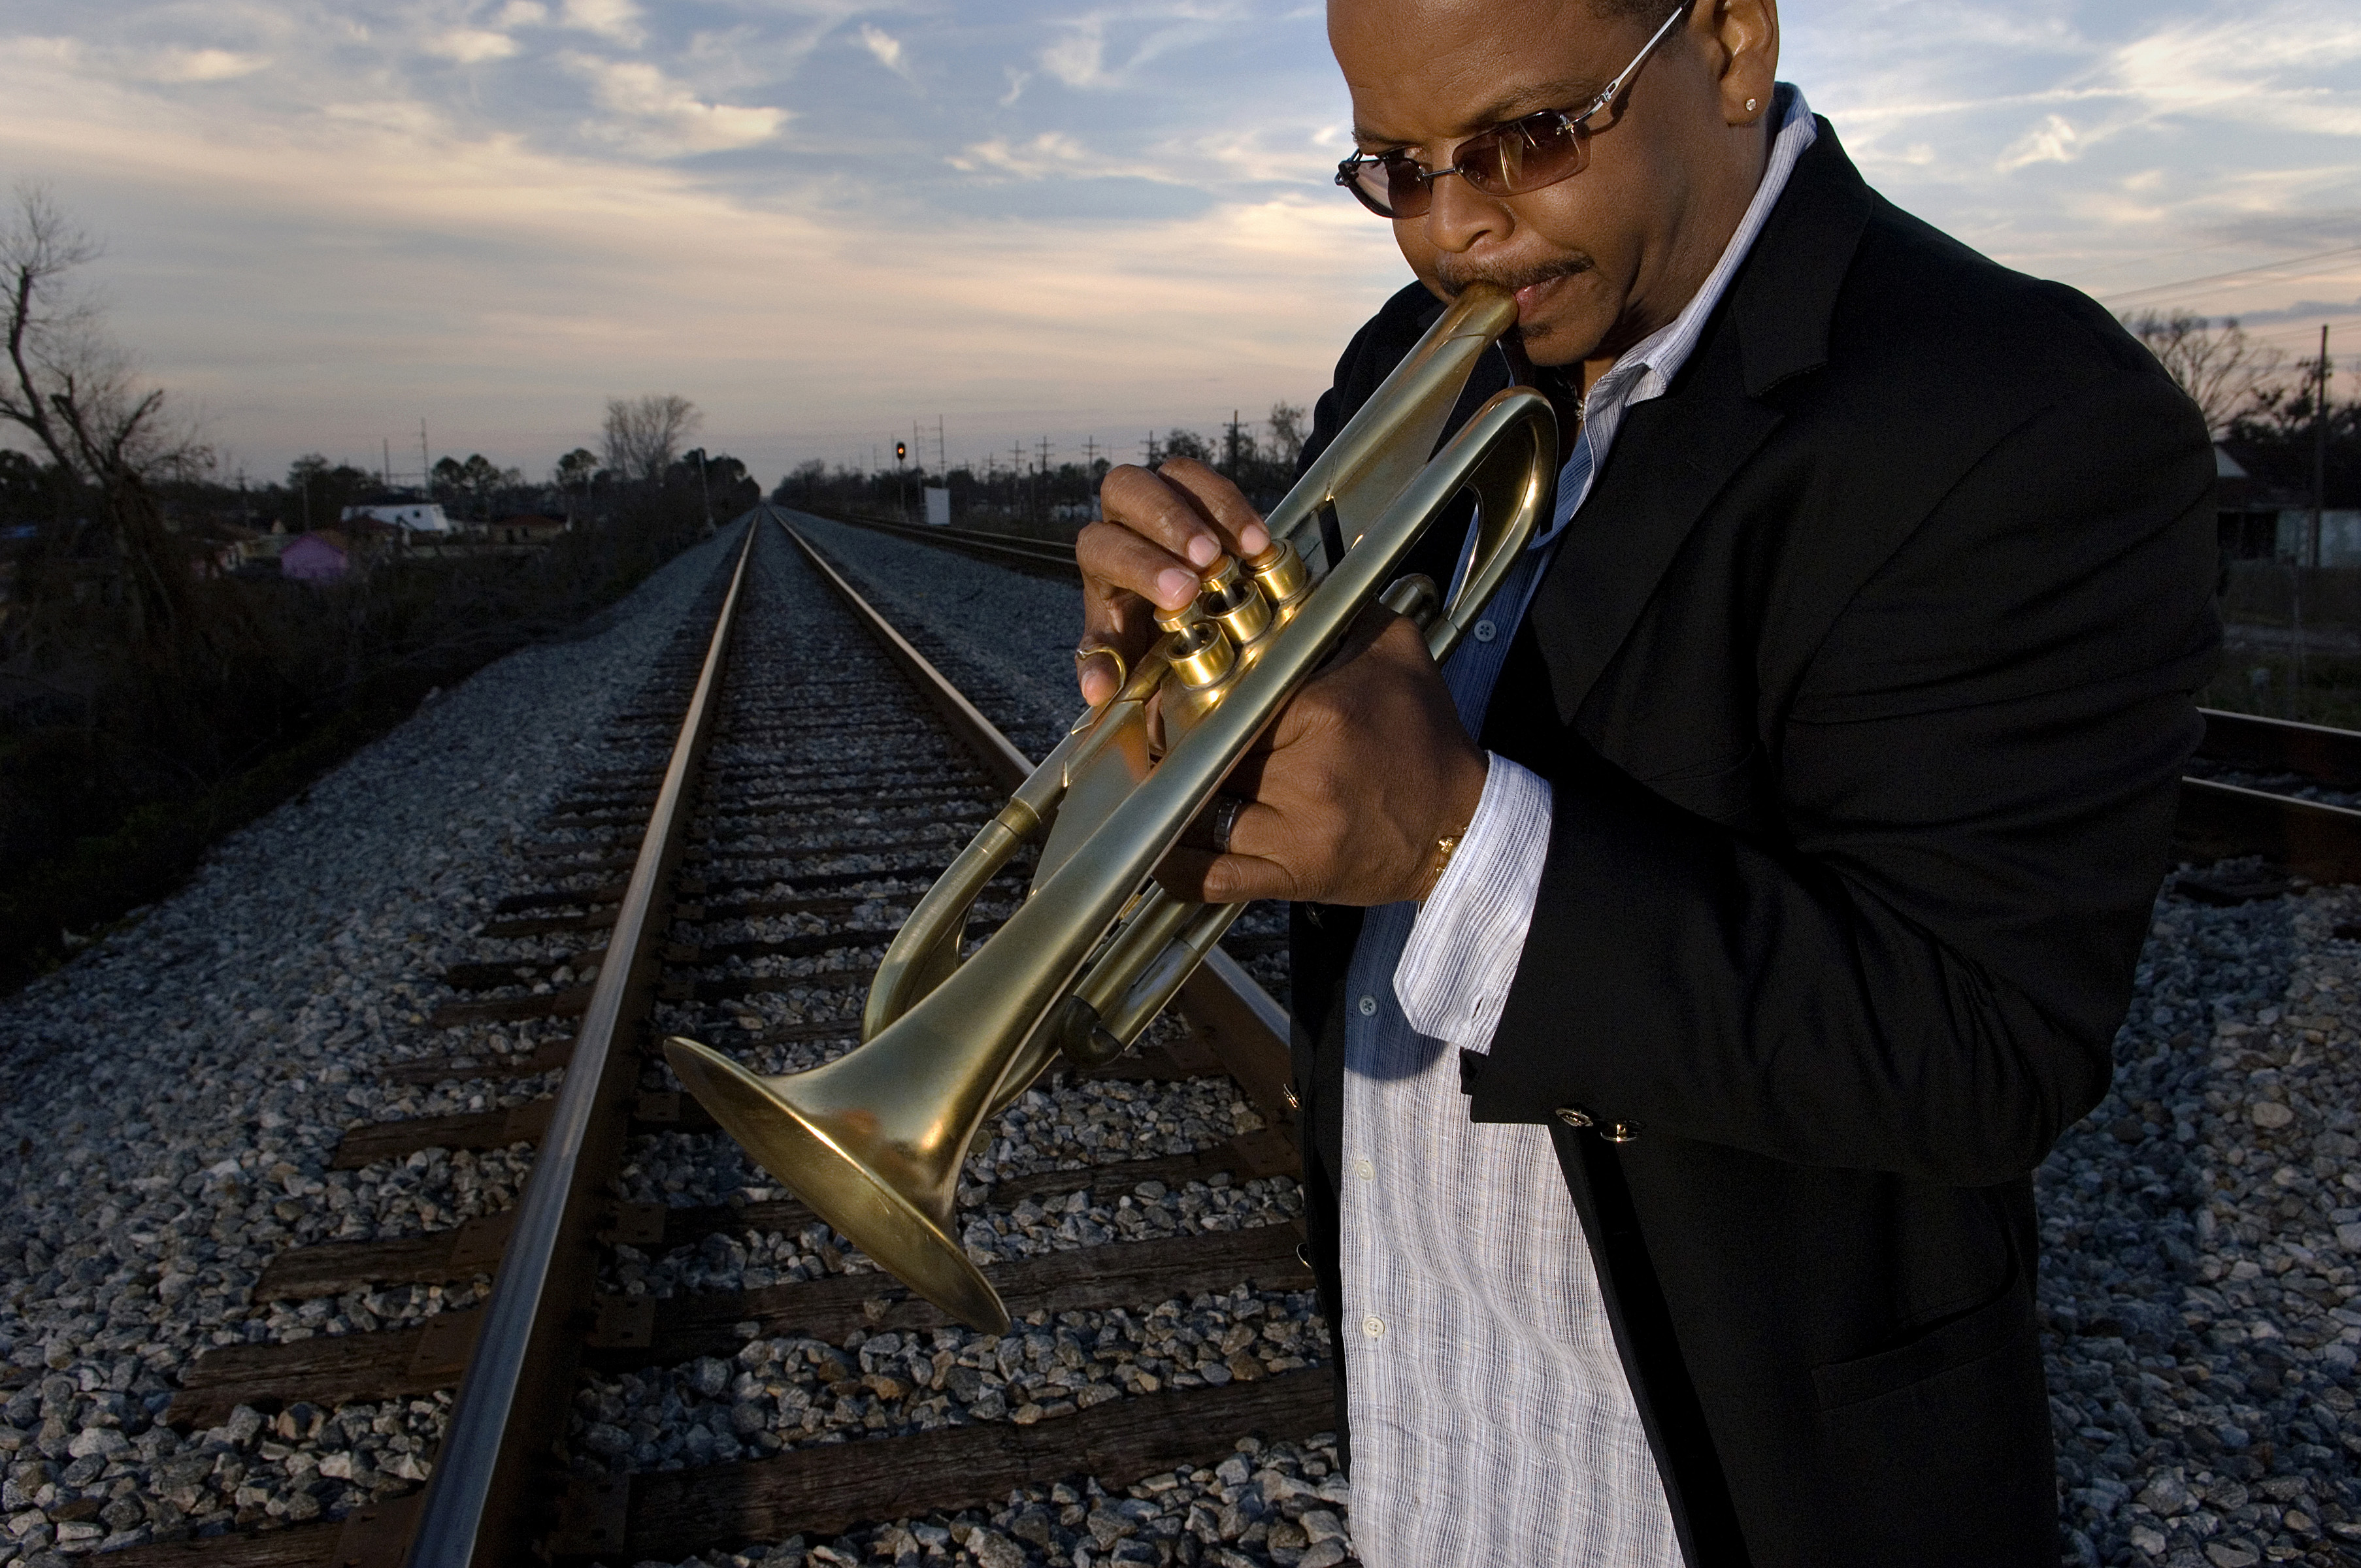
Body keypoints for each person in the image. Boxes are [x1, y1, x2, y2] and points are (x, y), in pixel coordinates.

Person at [1072, 0, 2221, 1562]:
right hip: (1431, 1441)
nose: (1454, 228)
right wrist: (1189, 703)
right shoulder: (1406, 368)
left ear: (1731, 48)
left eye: (1526, 139)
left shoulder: (2012, 404)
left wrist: (1451, 840)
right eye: (1394, 168)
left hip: (1723, 1484)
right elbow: (1322, 781)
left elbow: (1980, 1046)